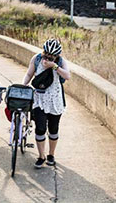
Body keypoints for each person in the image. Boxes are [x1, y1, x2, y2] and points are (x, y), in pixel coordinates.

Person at [21, 39, 71, 168]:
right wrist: (23, 85)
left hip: (55, 100)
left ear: (57, 55)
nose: (48, 57)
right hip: (39, 99)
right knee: (40, 128)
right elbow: (29, 74)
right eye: (46, 53)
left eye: (52, 56)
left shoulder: (60, 62)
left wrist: (54, 66)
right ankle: (41, 156)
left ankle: (51, 155)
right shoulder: (36, 59)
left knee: (53, 129)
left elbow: (67, 76)